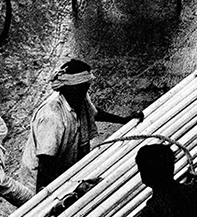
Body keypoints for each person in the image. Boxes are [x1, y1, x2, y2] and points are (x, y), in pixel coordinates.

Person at [18, 59, 139, 191]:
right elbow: (46, 166)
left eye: (86, 87)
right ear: (69, 87)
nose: (86, 91)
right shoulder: (52, 116)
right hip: (42, 181)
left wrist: (124, 120)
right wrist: (71, 186)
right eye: (82, 88)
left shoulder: (78, 97)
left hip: (64, 171)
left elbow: (94, 112)